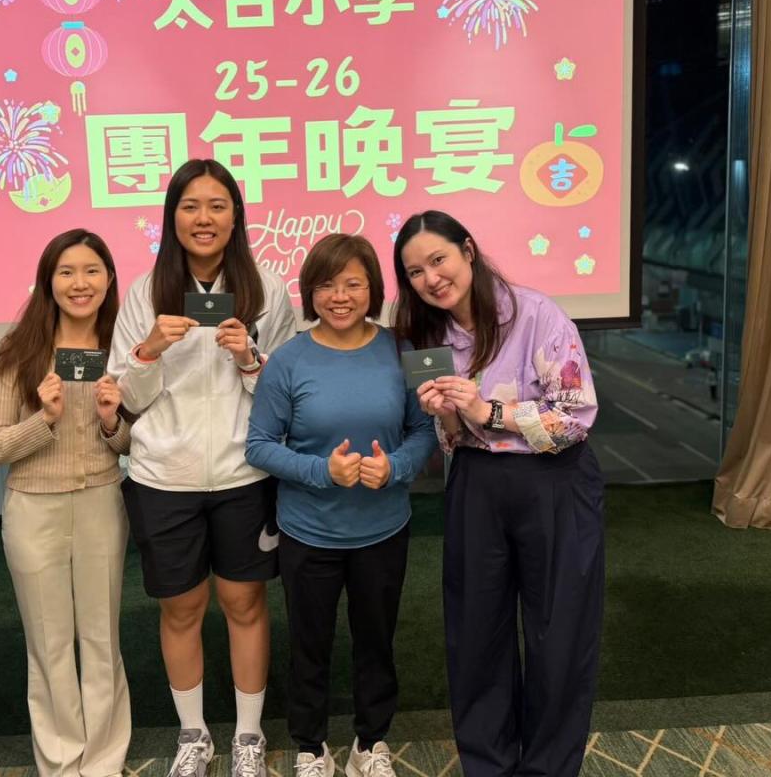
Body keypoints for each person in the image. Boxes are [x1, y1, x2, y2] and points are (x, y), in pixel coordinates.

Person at [393, 210, 603, 777]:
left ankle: (550, 767)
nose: (431, 278)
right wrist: (446, 415)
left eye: (438, 260)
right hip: (477, 483)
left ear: (468, 250)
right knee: (476, 632)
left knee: (559, 632)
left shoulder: (536, 314)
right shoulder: (430, 335)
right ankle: (487, 764)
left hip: (553, 481)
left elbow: (575, 419)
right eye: (415, 272)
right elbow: (454, 439)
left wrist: (487, 410)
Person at [108, 158, 296, 777]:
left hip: (245, 474)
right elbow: (126, 399)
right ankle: (194, 736)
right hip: (164, 477)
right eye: (190, 206)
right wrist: (150, 350)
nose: (204, 218)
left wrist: (250, 358)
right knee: (181, 609)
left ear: (236, 215)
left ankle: (247, 736)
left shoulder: (267, 289)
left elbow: (287, 394)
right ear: (172, 217)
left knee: (245, 603)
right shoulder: (145, 292)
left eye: (217, 205)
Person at [247, 234, 434, 777]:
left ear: (373, 288)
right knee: (309, 645)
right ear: (310, 292)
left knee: (376, 642)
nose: (340, 297)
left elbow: (424, 431)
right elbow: (258, 445)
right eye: (326, 285)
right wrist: (320, 471)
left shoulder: (404, 349)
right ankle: (311, 748)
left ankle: (370, 745)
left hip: (383, 529)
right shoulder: (288, 359)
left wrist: (395, 466)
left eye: (353, 283)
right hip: (309, 533)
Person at [0, 229, 132, 777]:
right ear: (48, 281)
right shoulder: (17, 353)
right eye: (66, 272)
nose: (79, 283)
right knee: (48, 643)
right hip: (33, 510)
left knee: (101, 637)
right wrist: (42, 419)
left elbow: (131, 444)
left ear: (109, 279)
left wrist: (112, 422)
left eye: (92, 270)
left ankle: (104, 760)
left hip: (101, 502)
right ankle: (61, 761)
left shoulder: (121, 348)